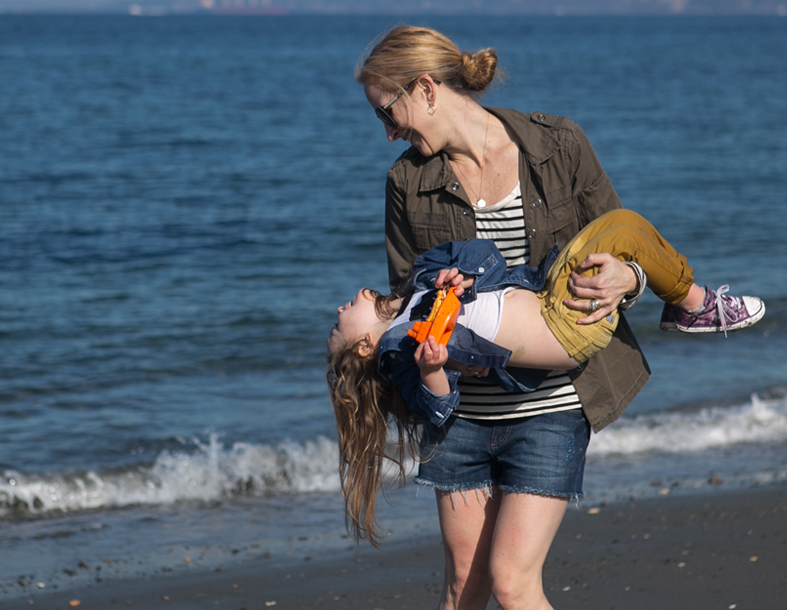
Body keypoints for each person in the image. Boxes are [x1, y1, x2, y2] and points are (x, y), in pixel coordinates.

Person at [348, 24, 739, 610]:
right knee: (461, 583)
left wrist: (631, 280)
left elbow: (618, 239)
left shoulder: (556, 144)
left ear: (427, 88)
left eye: (389, 110)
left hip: (552, 408)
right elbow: (405, 298)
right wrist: (406, 351)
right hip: (462, 412)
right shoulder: (407, 183)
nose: (387, 131)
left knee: (514, 583)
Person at [327, 213, 764, 542]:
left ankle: (686, 303)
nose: (340, 309)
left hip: (553, 294)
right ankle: (694, 304)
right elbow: (437, 407)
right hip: (567, 327)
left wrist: (464, 274)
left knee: (625, 226)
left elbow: (484, 252)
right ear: (363, 347)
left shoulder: (423, 279)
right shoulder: (398, 349)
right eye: (337, 325)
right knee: (624, 229)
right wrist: (432, 368)